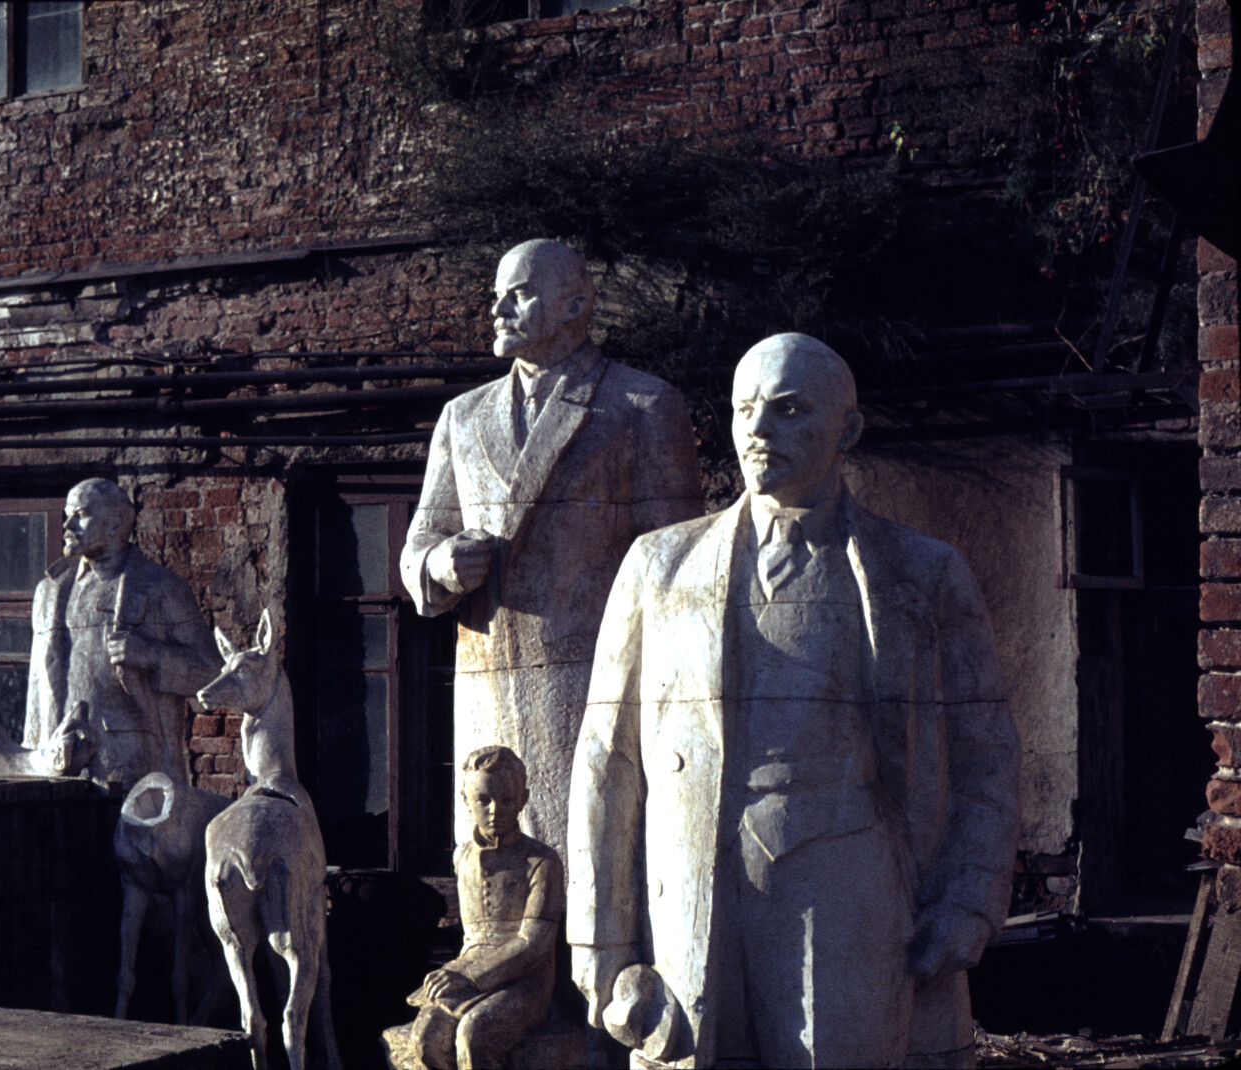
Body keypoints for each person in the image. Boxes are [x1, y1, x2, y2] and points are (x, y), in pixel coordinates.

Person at [567, 333, 1019, 1069]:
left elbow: (986, 751)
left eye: (788, 409)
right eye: (746, 408)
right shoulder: (659, 566)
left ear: (847, 429)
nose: (757, 429)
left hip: (852, 893)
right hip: (689, 902)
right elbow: (605, 757)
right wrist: (599, 938)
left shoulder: (921, 571)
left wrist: (969, 899)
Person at [401, 239, 702, 863]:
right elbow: (418, 547)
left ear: (575, 303)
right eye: (495, 297)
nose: (498, 309)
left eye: (518, 294)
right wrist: (438, 565)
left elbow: (675, 573)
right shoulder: (463, 416)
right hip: (485, 680)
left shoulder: (642, 405)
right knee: (493, 882)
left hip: (594, 682)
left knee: (593, 868)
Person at [25, 478, 221, 790]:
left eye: (81, 514)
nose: (67, 524)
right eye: (67, 514)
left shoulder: (160, 587)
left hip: (132, 763)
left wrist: (152, 656)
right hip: (57, 762)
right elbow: (37, 690)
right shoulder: (50, 590)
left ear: (116, 524)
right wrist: (33, 756)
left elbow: (211, 672)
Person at [403, 746, 563, 1070]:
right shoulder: (461, 857)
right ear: (466, 800)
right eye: (484, 800)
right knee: (424, 1038)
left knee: (475, 1033)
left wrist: (466, 974)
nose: (495, 811)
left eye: (507, 800)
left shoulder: (542, 862)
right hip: (466, 974)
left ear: (523, 799)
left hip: (525, 981)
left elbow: (534, 944)